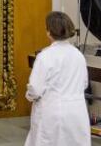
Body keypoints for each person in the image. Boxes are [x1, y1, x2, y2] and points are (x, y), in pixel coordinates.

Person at [24, 11, 91, 146]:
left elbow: (35, 89)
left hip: (51, 114)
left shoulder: (45, 56)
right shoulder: (78, 55)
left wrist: (29, 96)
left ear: (49, 31)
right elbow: (84, 83)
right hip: (76, 113)